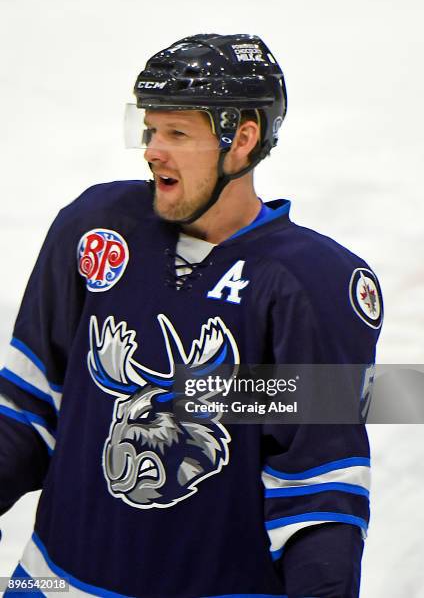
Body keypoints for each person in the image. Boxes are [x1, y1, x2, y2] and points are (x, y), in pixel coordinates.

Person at [0, 34, 382, 597]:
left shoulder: (311, 284)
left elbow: (317, 489)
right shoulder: (95, 227)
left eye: (177, 133)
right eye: (150, 129)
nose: (153, 150)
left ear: (242, 141)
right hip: (52, 584)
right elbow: (29, 405)